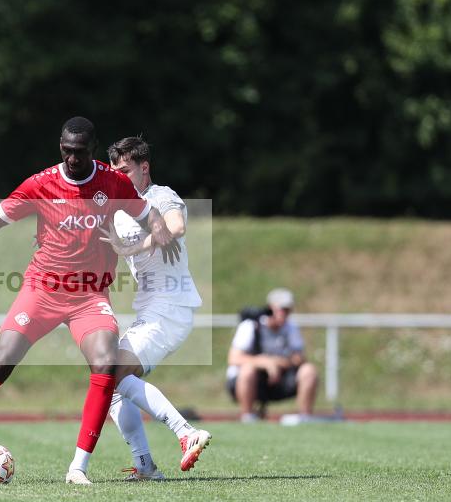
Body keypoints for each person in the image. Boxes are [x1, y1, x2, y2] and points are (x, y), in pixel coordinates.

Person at [0, 116, 179, 485]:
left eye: (79, 152)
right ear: (60, 146)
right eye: (66, 150)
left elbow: (147, 211)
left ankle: (78, 468)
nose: (72, 158)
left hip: (89, 295)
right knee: (2, 361)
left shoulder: (113, 182)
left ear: (92, 150)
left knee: (105, 363)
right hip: (42, 290)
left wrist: (157, 225)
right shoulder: (41, 184)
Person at [99, 136, 211, 481]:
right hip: (151, 309)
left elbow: (175, 227)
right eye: (115, 171)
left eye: (125, 170)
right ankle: (145, 465)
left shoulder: (159, 196)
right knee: (108, 382)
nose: (119, 177)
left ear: (144, 167)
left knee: (113, 373)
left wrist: (131, 248)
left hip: (170, 308)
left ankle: (186, 432)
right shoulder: (120, 209)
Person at [226, 287, 319, 423]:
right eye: (282, 309)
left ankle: (305, 417)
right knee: (247, 370)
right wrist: (264, 362)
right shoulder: (251, 326)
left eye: (288, 310)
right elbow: (234, 358)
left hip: (279, 379)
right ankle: (248, 416)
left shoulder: (291, 327)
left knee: (309, 370)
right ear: (270, 309)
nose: (285, 314)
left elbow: (299, 358)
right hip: (250, 380)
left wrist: (277, 363)